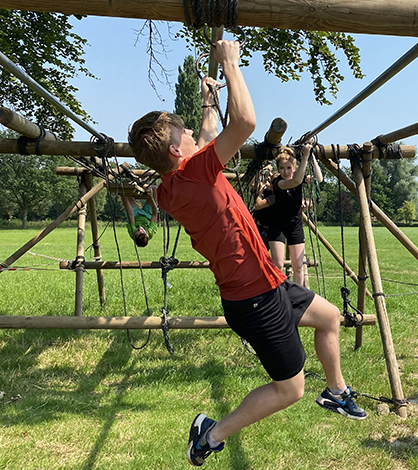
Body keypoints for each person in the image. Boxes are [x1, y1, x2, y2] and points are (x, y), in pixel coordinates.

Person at [127, 40, 365, 468]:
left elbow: (206, 138)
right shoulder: (194, 174)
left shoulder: (170, 186)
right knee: (289, 389)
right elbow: (247, 122)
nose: (190, 141)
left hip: (262, 285)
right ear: (177, 153)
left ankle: (335, 391)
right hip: (254, 297)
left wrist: (208, 102)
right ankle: (210, 435)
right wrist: (233, 65)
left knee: (329, 317)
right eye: (181, 138)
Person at [268, 146, 313, 285]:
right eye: (282, 168)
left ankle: (298, 299)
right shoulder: (277, 182)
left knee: (299, 265)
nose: (285, 171)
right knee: (278, 264)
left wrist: (313, 157)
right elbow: (295, 182)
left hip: (295, 223)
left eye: (288, 168)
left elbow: (319, 178)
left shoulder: (299, 178)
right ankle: (278, 297)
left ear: (294, 168)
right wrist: (304, 156)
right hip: (277, 224)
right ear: (278, 169)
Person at [252, 163, 275, 248]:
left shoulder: (275, 197)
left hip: (266, 230)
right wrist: (262, 171)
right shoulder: (270, 191)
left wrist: (260, 191)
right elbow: (252, 183)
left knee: (258, 252)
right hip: (259, 226)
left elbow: (258, 205)